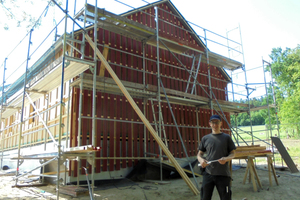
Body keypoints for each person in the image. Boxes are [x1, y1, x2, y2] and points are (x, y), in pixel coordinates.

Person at [197, 114, 236, 200]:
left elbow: (233, 154)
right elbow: (199, 154)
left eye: (217, 122)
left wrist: (226, 159)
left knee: (226, 198)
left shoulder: (226, 138)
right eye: (213, 122)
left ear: (221, 123)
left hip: (223, 174)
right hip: (208, 173)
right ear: (210, 124)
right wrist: (201, 160)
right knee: (204, 198)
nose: (215, 125)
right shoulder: (205, 138)